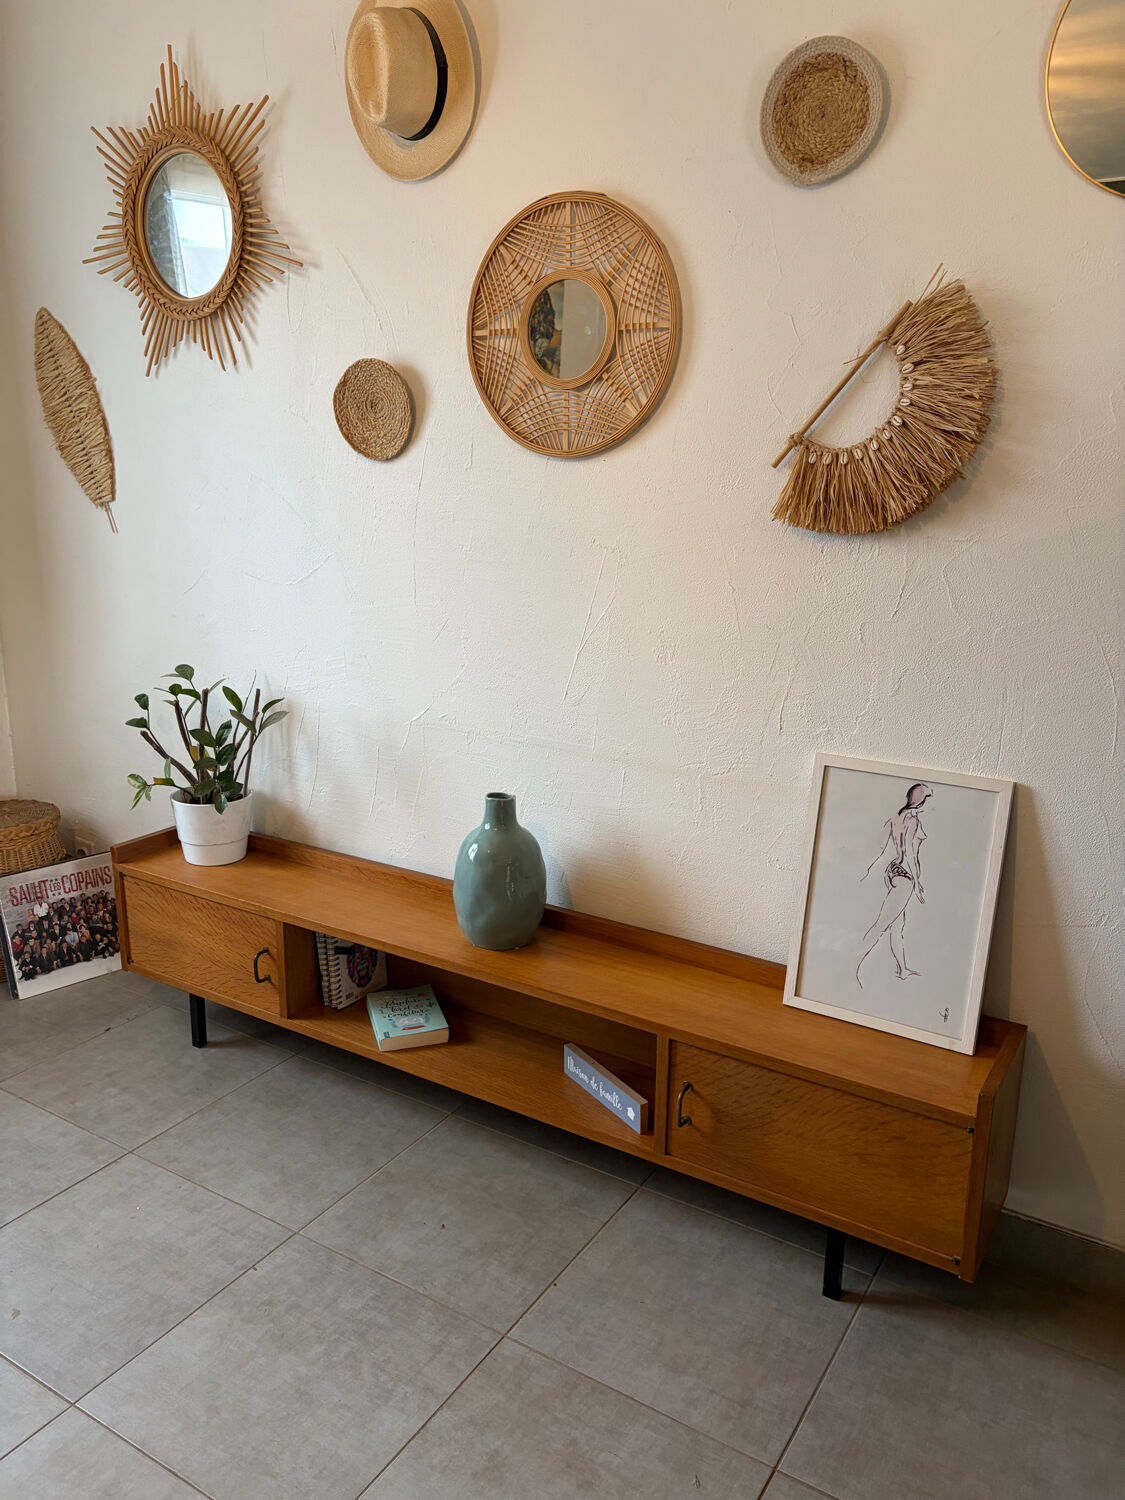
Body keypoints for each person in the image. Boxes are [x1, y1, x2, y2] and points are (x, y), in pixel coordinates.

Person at [855, 782, 932, 987]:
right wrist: (917, 881)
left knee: (897, 926)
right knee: (881, 925)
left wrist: (873, 870)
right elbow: (908, 852)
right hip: (905, 875)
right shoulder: (913, 820)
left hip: (893, 871)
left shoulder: (897, 816)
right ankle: (852, 964)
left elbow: (886, 848)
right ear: (921, 800)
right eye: (927, 798)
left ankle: (902, 969)